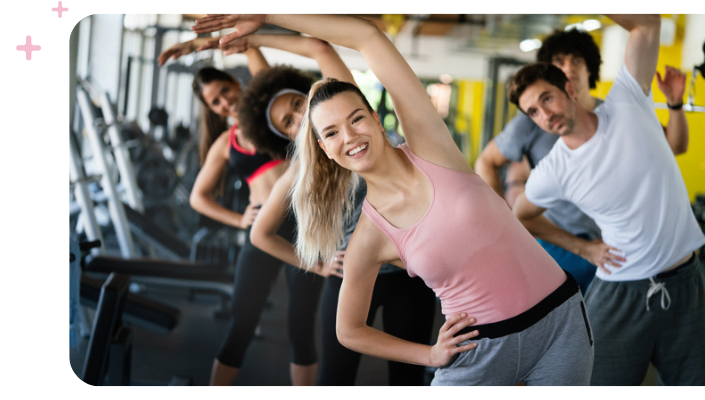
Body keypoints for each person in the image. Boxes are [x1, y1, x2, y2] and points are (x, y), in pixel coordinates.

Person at [193, 14, 594, 386]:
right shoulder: (369, 236)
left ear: (374, 116)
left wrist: (267, 18)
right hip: (480, 349)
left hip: (560, 323)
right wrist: (430, 354)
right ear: (323, 149)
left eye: (356, 119)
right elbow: (348, 330)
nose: (349, 136)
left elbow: (368, 37)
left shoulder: (431, 148)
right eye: (331, 133)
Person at [509, 15, 705, 385]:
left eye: (547, 98)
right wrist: (584, 248)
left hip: (686, 281)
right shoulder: (553, 170)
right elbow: (521, 214)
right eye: (534, 112)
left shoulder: (627, 100)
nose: (545, 114)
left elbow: (647, 25)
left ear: (569, 89)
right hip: (621, 287)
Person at [226, 36, 436, 385]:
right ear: (286, 137)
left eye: (297, 103)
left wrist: (254, 36)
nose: (299, 116)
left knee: (408, 380)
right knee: (335, 380)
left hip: (408, 274)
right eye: (288, 122)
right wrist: (318, 264)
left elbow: (321, 49)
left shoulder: (358, 125)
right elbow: (260, 235)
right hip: (350, 278)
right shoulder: (299, 171)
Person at [159, 34, 330, 386]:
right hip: (262, 229)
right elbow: (198, 197)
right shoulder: (226, 142)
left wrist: (197, 45)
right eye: (215, 101)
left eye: (225, 91)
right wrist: (240, 220)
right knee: (241, 324)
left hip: (304, 225)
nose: (224, 102)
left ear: (237, 82)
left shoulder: (274, 111)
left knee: (300, 328)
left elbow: (249, 45)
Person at [475, 27, 690, 294]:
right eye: (558, 61)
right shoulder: (532, 122)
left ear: (590, 67)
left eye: (575, 60)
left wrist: (675, 104)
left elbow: (675, 146)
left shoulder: (615, 112)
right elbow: (486, 161)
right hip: (561, 244)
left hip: (616, 246)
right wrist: (504, 226)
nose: (568, 67)